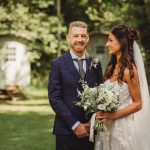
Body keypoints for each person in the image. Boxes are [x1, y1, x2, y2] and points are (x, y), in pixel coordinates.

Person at [48, 21, 103, 150]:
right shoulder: (58, 64)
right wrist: (75, 125)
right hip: (66, 131)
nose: (80, 39)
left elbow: (101, 94)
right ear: (68, 38)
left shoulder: (95, 64)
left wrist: (93, 122)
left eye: (83, 36)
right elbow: (54, 98)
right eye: (76, 36)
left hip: (91, 131)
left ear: (87, 38)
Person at [94, 25, 150, 150]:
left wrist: (114, 115)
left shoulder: (129, 71)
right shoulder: (110, 68)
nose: (107, 44)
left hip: (123, 127)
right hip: (108, 127)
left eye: (110, 40)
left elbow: (138, 103)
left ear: (122, 42)